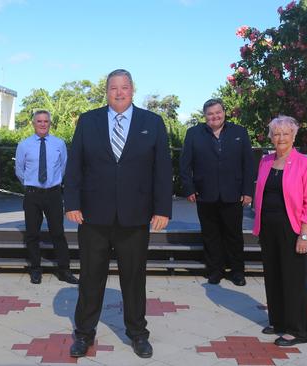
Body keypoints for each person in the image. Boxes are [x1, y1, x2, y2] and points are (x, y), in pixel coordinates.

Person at [63, 69, 172, 359]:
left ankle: (137, 334)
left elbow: (162, 170)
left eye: (124, 87)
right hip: (92, 218)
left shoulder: (153, 123)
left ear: (133, 89)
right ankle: (84, 334)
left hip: (135, 218)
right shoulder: (88, 121)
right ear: (106, 91)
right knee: (90, 279)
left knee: (134, 280)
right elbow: (74, 166)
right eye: (114, 88)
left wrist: (162, 209)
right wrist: (71, 203)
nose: (119, 92)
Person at [253, 115, 307, 346]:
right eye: (276, 133)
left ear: (293, 136)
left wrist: (304, 234)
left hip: (292, 228)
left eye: (285, 133)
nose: (280, 137)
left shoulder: (304, 163)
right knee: (273, 276)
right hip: (268, 228)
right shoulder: (265, 161)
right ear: (271, 137)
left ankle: (296, 330)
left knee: (293, 280)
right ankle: (278, 321)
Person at [179, 98, 255, 286]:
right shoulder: (193, 134)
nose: (214, 116)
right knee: (210, 235)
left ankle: (237, 272)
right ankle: (215, 271)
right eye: (210, 114)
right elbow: (184, 164)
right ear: (205, 116)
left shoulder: (240, 132)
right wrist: (189, 188)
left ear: (224, 112)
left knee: (234, 235)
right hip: (205, 194)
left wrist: (248, 191)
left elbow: (249, 164)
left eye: (217, 112)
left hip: (233, 194)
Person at [15, 110, 78, 285]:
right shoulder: (24, 145)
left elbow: (63, 167)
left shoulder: (59, 144)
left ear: (50, 123)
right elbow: (19, 170)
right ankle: (35, 270)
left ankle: (64, 270)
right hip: (33, 195)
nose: (43, 124)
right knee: (32, 234)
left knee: (58, 233)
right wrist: (31, 184)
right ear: (33, 123)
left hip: (53, 194)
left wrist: (53, 183)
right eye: (39, 121)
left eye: (46, 121)